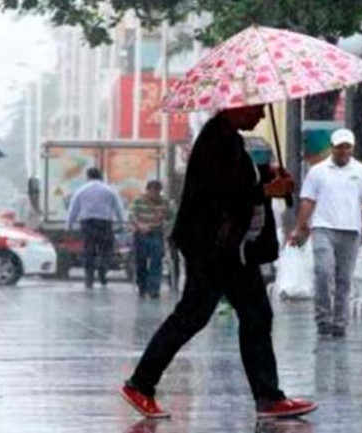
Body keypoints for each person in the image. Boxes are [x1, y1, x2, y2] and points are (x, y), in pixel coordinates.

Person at [120, 106, 317, 420]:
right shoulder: (216, 140)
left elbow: (237, 178)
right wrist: (266, 189)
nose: (262, 116)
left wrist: (268, 173)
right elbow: (220, 194)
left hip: (232, 248)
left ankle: (268, 397)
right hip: (212, 248)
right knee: (194, 316)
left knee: (254, 315)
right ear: (237, 107)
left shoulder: (231, 139)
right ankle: (141, 383)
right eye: (258, 109)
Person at [289, 128, 362, 338]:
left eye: (347, 147)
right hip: (323, 228)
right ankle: (323, 318)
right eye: (339, 147)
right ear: (332, 148)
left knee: (343, 279)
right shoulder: (318, 172)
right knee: (323, 271)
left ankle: (340, 321)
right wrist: (300, 227)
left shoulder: (361, 171)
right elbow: (308, 201)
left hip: (351, 230)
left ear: (352, 149)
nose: (343, 151)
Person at [66, 168, 124, 288]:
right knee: (107, 250)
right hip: (105, 223)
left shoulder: (81, 190)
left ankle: (89, 279)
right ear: (101, 176)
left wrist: (69, 225)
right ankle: (103, 269)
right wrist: (121, 223)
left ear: (88, 177)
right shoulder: (109, 190)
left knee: (89, 251)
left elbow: (73, 209)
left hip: (87, 224)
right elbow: (118, 208)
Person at [130, 180, 173, 299]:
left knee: (156, 261)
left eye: (157, 192)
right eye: (153, 191)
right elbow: (132, 215)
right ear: (148, 190)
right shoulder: (138, 200)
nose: (155, 194)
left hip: (156, 233)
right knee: (141, 261)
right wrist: (140, 226)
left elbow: (170, 216)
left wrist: (164, 214)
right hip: (141, 234)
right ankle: (142, 287)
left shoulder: (164, 202)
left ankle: (154, 289)